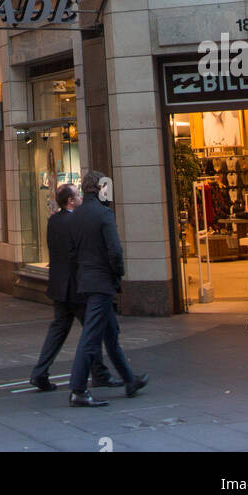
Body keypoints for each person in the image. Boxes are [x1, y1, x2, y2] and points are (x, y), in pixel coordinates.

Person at [67, 171, 148, 407]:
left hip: (86, 280)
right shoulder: (104, 215)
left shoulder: (76, 216)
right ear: (99, 188)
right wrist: (118, 273)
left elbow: (71, 252)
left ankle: (129, 380)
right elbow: (115, 251)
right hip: (102, 283)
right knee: (91, 338)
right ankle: (78, 389)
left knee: (110, 334)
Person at [29, 184, 119, 393]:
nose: (80, 197)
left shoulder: (54, 221)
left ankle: (39, 373)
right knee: (91, 331)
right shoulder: (75, 222)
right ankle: (99, 374)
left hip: (59, 286)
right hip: (77, 287)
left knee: (58, 331)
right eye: (77, 195)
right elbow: (78, 253)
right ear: (70, 201)